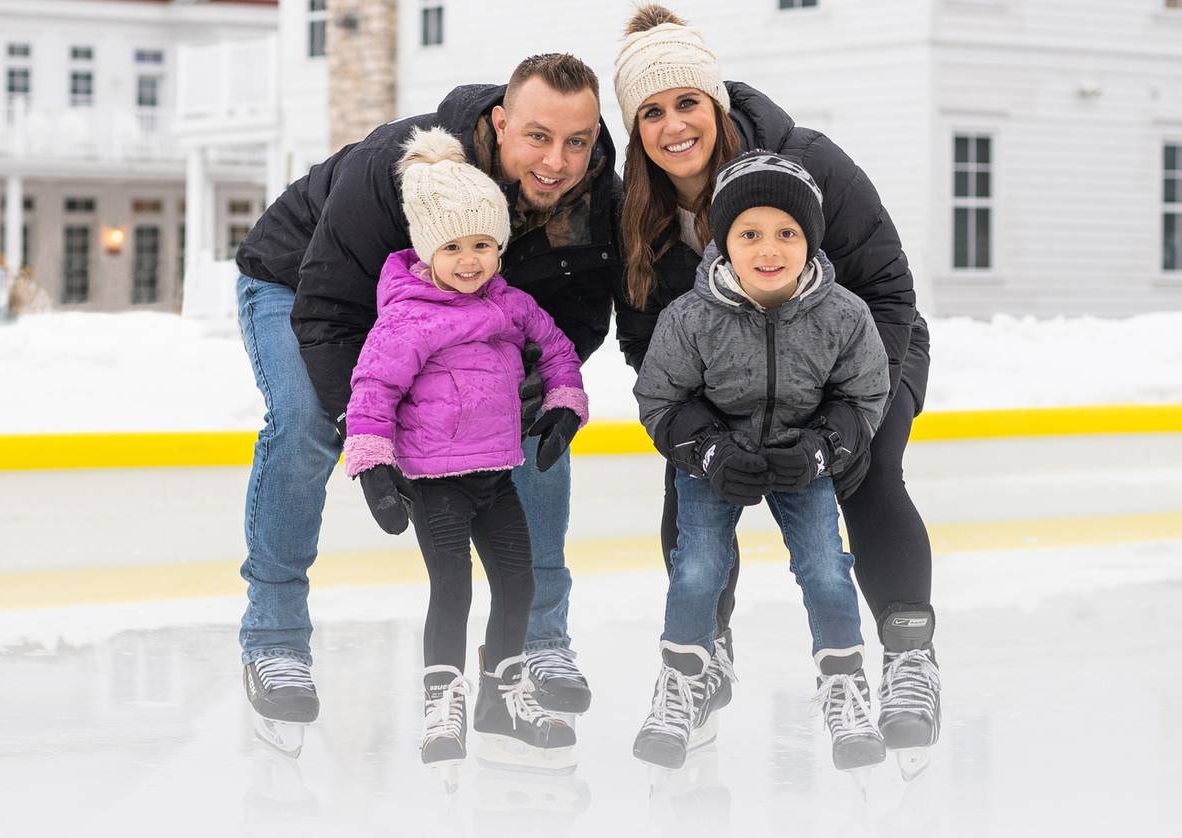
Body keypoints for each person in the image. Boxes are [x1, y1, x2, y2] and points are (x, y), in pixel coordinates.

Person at [232, 54, 622, 742]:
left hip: (464, 310)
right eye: (538, 136)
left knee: (529, 424)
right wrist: (371, 429)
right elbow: (327, 308)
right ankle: (275, 640)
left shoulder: (592, 195)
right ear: (500, 123)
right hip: (304, 287)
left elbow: (581, 308)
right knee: (306, 426)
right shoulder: (396, 167)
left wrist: (541, 384)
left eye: (577, 141)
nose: (557, 161)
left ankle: (538, 642)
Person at [611, 5, 941, 773]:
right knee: (691, 482)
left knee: (867, 474)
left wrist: (843, 425)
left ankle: (909, 660)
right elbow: (645, 342)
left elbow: (889, 288)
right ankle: (704, 659)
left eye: (687, 101)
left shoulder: (805, 162)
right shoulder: (637, 208)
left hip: (860, 355)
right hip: (723, 375)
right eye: (651, 112)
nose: (673, 126)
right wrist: (696, 433)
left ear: (716, 102)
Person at [631, 151, 890, 773]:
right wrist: (707, 447)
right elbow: (660, 397)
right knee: (698, 568)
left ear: (810, 240)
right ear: (724, 242)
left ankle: (843, 685)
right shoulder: (691, 318)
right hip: (716, 460)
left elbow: (866, 394)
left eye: (787, 234)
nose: (768, 250)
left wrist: (825, 446)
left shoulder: (844, 316)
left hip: (803, 460)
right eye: (750, 234)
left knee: (827, 569)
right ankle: (681, 681)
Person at [343, 128, 589, 772]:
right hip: (433, 482)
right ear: (427, 252)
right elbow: (372, 389)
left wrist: (564, 403)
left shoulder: (511, 305)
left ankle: (503, 698)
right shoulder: (408, 317)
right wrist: (373, 467)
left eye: (483, 244)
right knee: (452, 587)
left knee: (520, 582)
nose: (471, 260)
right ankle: (442, 700)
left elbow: (558, 349)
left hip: (495, 475)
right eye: (453, 247)